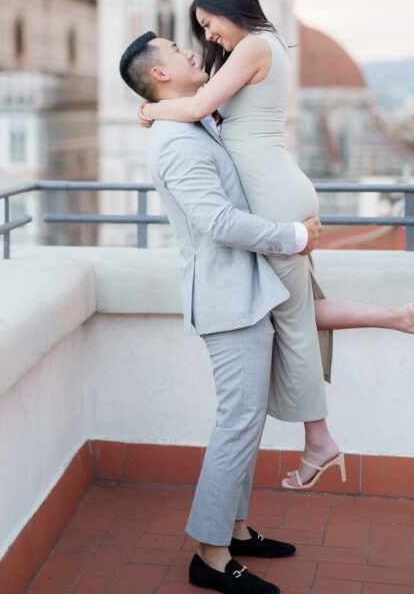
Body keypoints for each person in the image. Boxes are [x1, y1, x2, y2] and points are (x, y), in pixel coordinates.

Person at [137, 0, 414, 492]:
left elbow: (198, 109)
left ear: (228, 8)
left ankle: (320, 440)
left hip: (274, 196)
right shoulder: (262, 47)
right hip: (280, 189)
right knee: (300, 312)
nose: (208, 36)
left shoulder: (254, 47)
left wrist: (152, 109)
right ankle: (407, 319)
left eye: (207, 24)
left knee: (293, 322)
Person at [119, 31, 321, 594]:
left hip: (243, 292)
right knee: (236, 424)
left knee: (246, 421)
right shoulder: (177, 142)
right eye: (177, 52)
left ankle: (232, 530)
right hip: (226, 299)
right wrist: (293, 237)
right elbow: (220, 223)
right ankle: (209, 557)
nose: (191, 53)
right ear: (160, 76)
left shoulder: (188, 121)